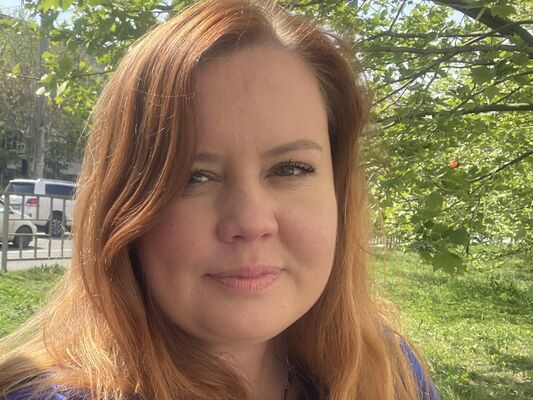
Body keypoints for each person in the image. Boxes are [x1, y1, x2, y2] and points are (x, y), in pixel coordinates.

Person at [0, 1, 440, 399]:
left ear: (338, 190)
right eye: (193, 177)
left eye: (290, 169)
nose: (251, 221)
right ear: (123, 207)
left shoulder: (389, 374)